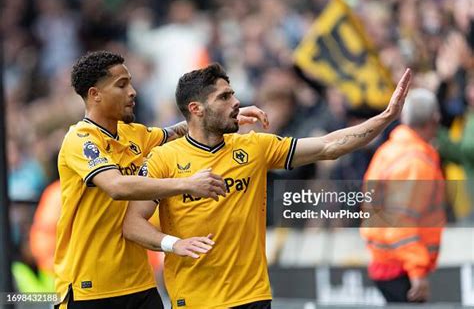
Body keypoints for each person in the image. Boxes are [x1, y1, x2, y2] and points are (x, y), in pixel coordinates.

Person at [123, 63, 412, 308]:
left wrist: (384, 118)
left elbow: (328, 146)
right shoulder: (164, 158)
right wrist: (175, 244)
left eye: (233, 93)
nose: (236, 102)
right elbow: (133, 224)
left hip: (253, 296)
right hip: (194, 299)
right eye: (224, 97)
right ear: (196, 109)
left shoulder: (254, 147)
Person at [55, 51, 269, 309]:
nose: (133, 91)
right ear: (94, 94)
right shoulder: (80, 140)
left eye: (131, 82)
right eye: (121, 85)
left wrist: (223, 113)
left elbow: (180, 130)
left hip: (140, 283)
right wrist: (187, 183)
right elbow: (115, 187)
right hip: (90, 287)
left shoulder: (134, 134)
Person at [360, 88, 445, 303]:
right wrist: (417, 271)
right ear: (434, 119)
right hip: (401, 268)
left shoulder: (388, 150)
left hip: (386, 262)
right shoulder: (416, 162)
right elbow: (400, 222)